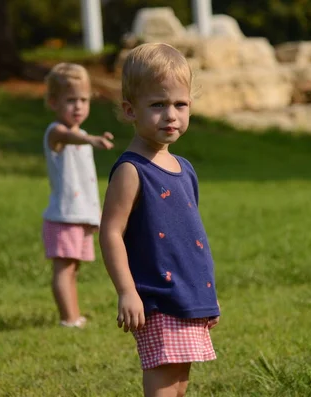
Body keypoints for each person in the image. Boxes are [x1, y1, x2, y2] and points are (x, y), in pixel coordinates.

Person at [99, 43, 220, 397]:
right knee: (164, 387)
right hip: (157, 297)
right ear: (130, 110)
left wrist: (206, 293)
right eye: (157, 105)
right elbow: (111, 233)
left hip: (187, 296)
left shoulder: (185, 169)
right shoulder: (132, 170)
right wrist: (126, 291)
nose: (171, 115)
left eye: (180, 104)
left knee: (180, 385)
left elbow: (191, 237)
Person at [42, 63, 114, 328]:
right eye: (70, 100)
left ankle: (74, 314)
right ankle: (68, 318)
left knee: (74, 269)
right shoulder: (56, 133)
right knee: (64, 268)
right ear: (53, 102)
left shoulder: (81, 134)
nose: (78, 106)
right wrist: (92, 140)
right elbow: (65, 136)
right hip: (64, 216)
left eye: (84, 100)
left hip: (80, 215)